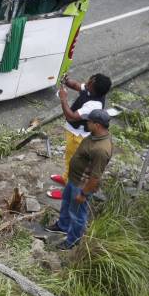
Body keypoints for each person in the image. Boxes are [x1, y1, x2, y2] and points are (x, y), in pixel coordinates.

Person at [46, 109, 113, 249]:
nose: (86, 123)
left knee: (77, 215)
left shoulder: (101, 149)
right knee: (66, 203)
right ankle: (62, 226)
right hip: (73, 179)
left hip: (81, 186)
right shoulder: (94, 135)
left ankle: (72, 241)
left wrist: (83, 194)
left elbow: (95, 177)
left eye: (89, 121)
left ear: (97, 125)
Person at [49, 73, 112, 197]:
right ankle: (65, 178)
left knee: (74, 163)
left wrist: (63, 98)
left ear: (95, 89)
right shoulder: (93, 89)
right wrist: (66, 81)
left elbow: (71, 117)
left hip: (78, 136)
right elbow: (77, 85)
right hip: (73, 132)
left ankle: (67, 191)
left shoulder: (94, 105)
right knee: (68, 156)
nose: (86, 84)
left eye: (89, 84)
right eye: (89, 81)